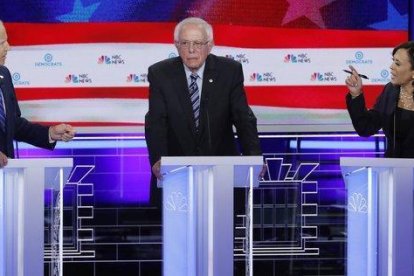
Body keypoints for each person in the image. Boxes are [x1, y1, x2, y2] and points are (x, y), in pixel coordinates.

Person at [145, 17, 262, 187]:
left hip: (221, 169)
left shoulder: (229, 71)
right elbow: (156, 122)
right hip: (176, 171)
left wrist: (253, 157)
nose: (191, 49)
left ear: (210, 45)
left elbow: (243, 118)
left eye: (198, 43)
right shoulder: (160, 74)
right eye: (185, 43)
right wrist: (158, 159)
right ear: (176, 45)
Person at [0, 20, 75, 167]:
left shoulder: (4, 75)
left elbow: (13, 125)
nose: (8, 47)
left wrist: (50, 133)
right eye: (2, 43)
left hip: (6, 178)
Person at [345, 41, 414, 158]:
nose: (391, 66)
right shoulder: (390, 91)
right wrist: (356, 94)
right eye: (393, 61)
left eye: (397, 64)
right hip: (395, 170)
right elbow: (366, 127)